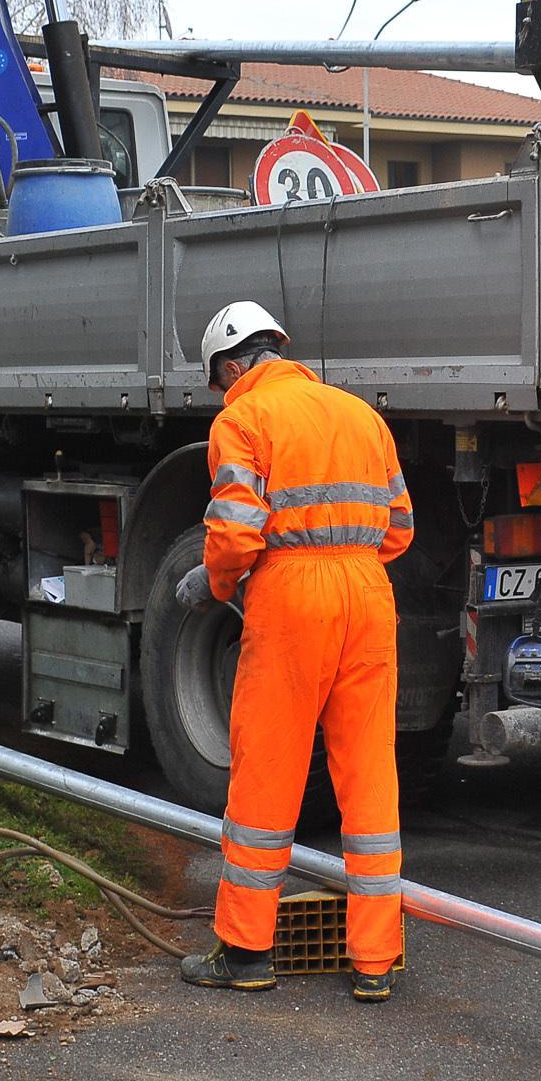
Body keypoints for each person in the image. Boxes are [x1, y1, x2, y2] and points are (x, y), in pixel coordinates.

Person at [176, 300, 413, 1002]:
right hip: (367, 593)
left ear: (230, 365)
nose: (221, 392)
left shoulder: (241, 420)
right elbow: (398, 528)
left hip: (290, 598)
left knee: (267, 773)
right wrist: (349, 557)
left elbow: (236, 533)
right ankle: (375, 958)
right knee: (369, 771)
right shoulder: (359, 416)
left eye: (219, 380)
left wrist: (216, 582)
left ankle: (246, 951)